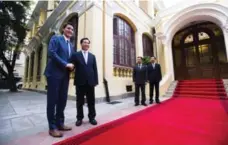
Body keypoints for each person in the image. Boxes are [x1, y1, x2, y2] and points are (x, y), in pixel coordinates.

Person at [44, 22, 74, 137]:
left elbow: (70, 60)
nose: (70, 30)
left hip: (65, 76)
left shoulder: (70, 45)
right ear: (63, 29)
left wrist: (72, 66)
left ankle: (60, 123)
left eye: (72, 29)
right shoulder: (56, 38)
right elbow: (51, 53)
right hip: (53, 74)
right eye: (68, 28)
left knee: (63, 100)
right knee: (52, 101)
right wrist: (65, 64)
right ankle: (52, 128)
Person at [71, 38, 98, 126]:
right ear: (81, 44)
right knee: (79, 101)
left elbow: (95, 69)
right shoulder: (75, 55)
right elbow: (72, 67)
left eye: (88, 43)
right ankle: (79, 118)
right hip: (80, 82)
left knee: (91, 101)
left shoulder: (92, 56)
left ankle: (92, 117)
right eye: (84, 42)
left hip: (90, 82)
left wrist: (95, 81)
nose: (86, 44)